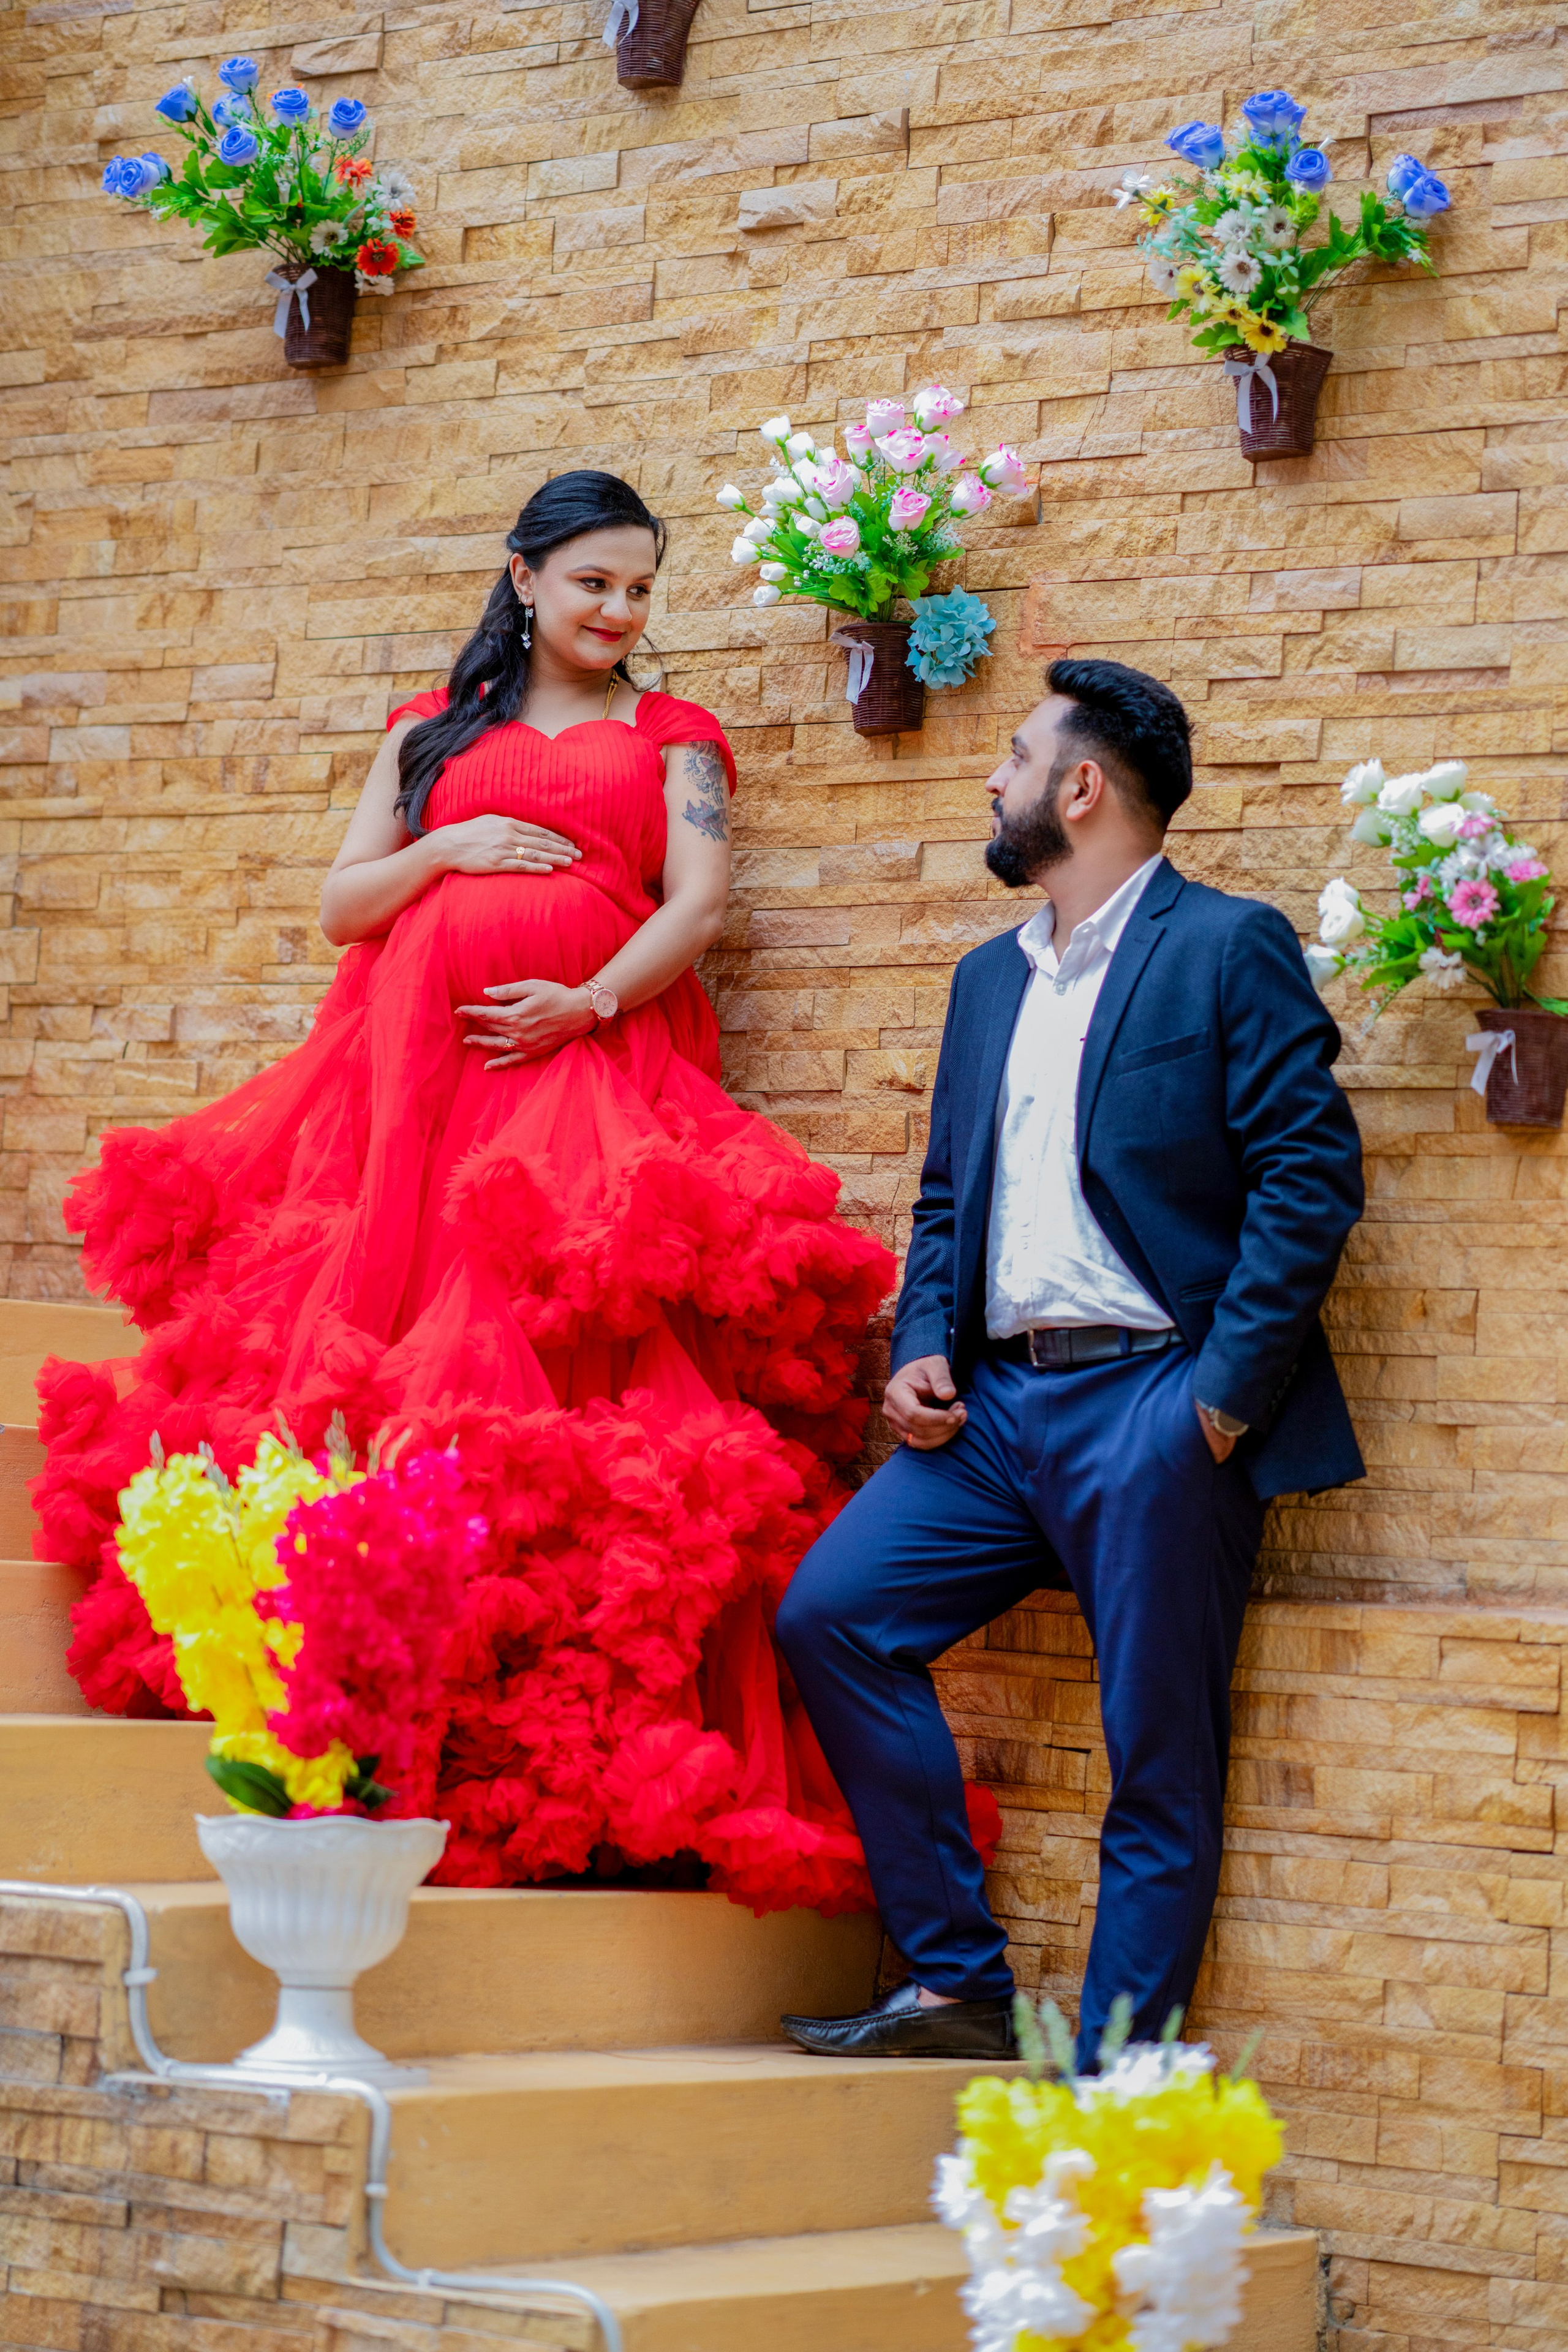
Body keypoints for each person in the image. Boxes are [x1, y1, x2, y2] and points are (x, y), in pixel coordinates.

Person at [37, 470, 895, 1911]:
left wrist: (589, 1003)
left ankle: (563, 1752)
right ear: (523, 578)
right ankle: (360, 1708)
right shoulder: (429, 735)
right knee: (389, 1366)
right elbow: (343, 908)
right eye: (592, 585)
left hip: (587, 1081)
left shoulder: (675, 736)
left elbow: (695, 904)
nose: (617, 613)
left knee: (570, 1370)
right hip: (409, 1102)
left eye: (637, 589)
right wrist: (444, 846)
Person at [775, 658, 1365, 2062]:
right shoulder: (987, 981)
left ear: (1081, 787)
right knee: (829, 1614)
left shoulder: (1224, 946)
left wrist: (1215, 1404)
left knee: (1155, 1759)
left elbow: (1307, 1176)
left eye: (1016, 755)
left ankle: (1104, 2096)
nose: (994, 778)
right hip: (990, 1414)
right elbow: (943, 1198)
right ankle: (955, 1982)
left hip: (1152, 1405)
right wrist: (922, 1346)